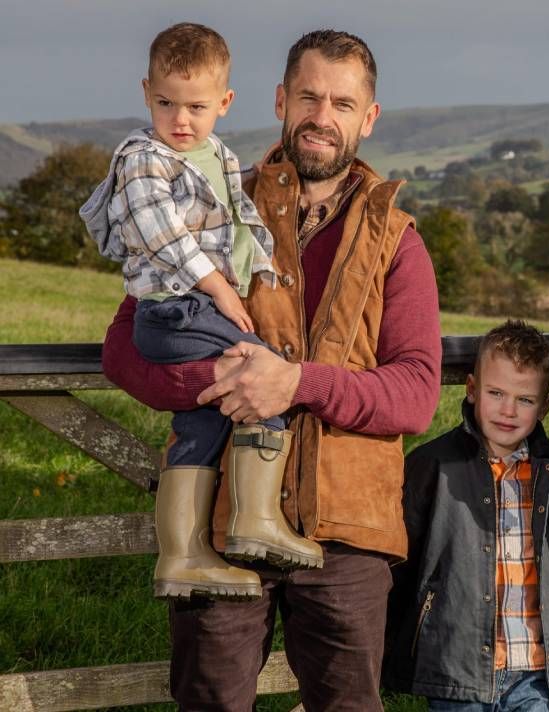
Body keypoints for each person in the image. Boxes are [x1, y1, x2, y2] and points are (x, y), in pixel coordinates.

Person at [100, 29, 441, 711]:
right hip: (222, 523)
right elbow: (124, 348)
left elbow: (415, 393)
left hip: (349, 532)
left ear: (368, 118)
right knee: (211, 702)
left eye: (343, 104)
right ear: (282, 100)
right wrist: (218, 384)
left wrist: (297, 383)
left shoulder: (397, 242)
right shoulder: (208, 202)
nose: (322, 116)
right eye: (310, 96)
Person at [80, 22, 321, 603]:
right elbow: (162, 235)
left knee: (203, 419)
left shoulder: (218, 155)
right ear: (145, 92)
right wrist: (221, 289)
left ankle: (182, 556)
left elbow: (240, 221)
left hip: (192, 307)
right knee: (263, 372)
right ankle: (254, 521)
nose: (179, 119)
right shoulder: (143, 158)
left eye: (195, 106)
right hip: (173, 311)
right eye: (165, 103)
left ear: (224, 103)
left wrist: (259, 269)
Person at [383, 321, 549, 711]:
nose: (508, 410)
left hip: (536, 671)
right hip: (457, 666)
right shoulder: (434, 464)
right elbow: (398, 565)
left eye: (525, 400)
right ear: (472, 390)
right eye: (496, 393)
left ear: (545, 407)